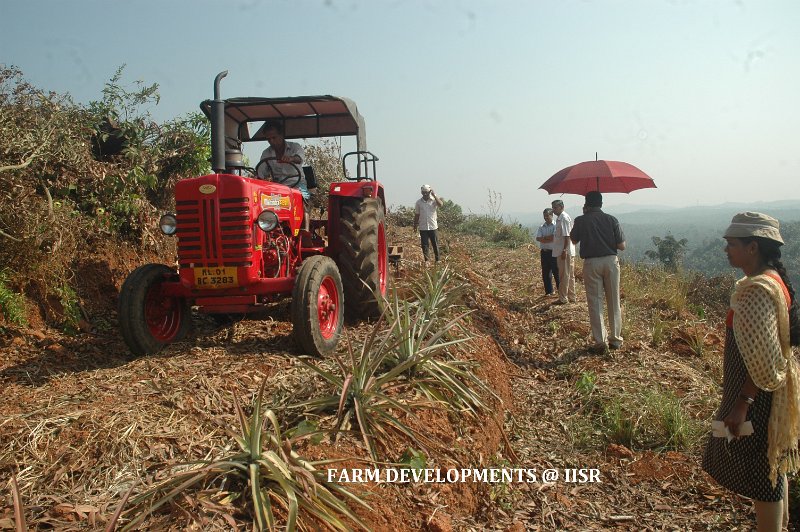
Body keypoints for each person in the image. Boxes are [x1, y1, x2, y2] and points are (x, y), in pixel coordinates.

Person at [702, 212, 800, 532]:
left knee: (762, 471)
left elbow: (763, 356)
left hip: (757, 395)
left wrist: (743, 401)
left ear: (753, 247)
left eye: (732, 244)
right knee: (772, 465)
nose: (726, 249)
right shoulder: (770, 281)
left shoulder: (757, 290)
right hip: (764, 391)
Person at [569, 191, 626, 350]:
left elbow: (573, 240)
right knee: (614, 300)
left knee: (595, 301)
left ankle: (601, 341)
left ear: (586, 204)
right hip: (610, 261)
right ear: (601, 203)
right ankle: (615, 339)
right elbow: (622, 246)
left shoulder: (581, 220)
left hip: (591, 263)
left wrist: (583, 218)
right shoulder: (612, 219)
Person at [256, 121, 310, 230]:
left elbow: (299, 159)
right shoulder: (266, 153)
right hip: (278, 187)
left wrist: (291, 159)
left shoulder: (295, 147)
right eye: (268, 139)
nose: (271, 141)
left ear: (281, 135)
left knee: (302, 200)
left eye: (274, 137)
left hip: (297, 184)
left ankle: (305, 233)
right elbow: (261, 173)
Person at [551, 199, 576, 304]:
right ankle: (572, 297)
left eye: (555, 207)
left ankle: (563, 298)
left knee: (564, 275)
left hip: (564, 251)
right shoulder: (561, 218)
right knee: (569, 275)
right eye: (553, 207)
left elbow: (567, 236)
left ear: (562, 207)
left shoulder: (564, 218)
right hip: (565, 250)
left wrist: (564, 250)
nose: (553, 210)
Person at [413, 184, 444, 263]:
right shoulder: (419, 203)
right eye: (423, 192)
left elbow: (440, 204)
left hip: (433, 226)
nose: (425, 194)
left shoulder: (434, 200)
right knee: (425, 245)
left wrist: (434, 195)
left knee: (435, 244)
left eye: (426, 192)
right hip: (423, 227)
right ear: (421, 192)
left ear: (430, 191)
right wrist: (415, 225)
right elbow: (417, 214)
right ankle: (427, 261)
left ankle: (438, 260)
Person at [535, 208, 559, 296]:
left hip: (553, 252)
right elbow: (538, 238)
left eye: (547, 216)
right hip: (544, 252)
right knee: (545, 273)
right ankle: (549, 291)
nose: (545, 218)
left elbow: (553, 238)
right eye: (544, 216)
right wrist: (547, 238)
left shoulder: (556, 225)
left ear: (552, 215)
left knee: (556, 272)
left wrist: (544, 238)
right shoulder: (541, 227)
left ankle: (560, 291)